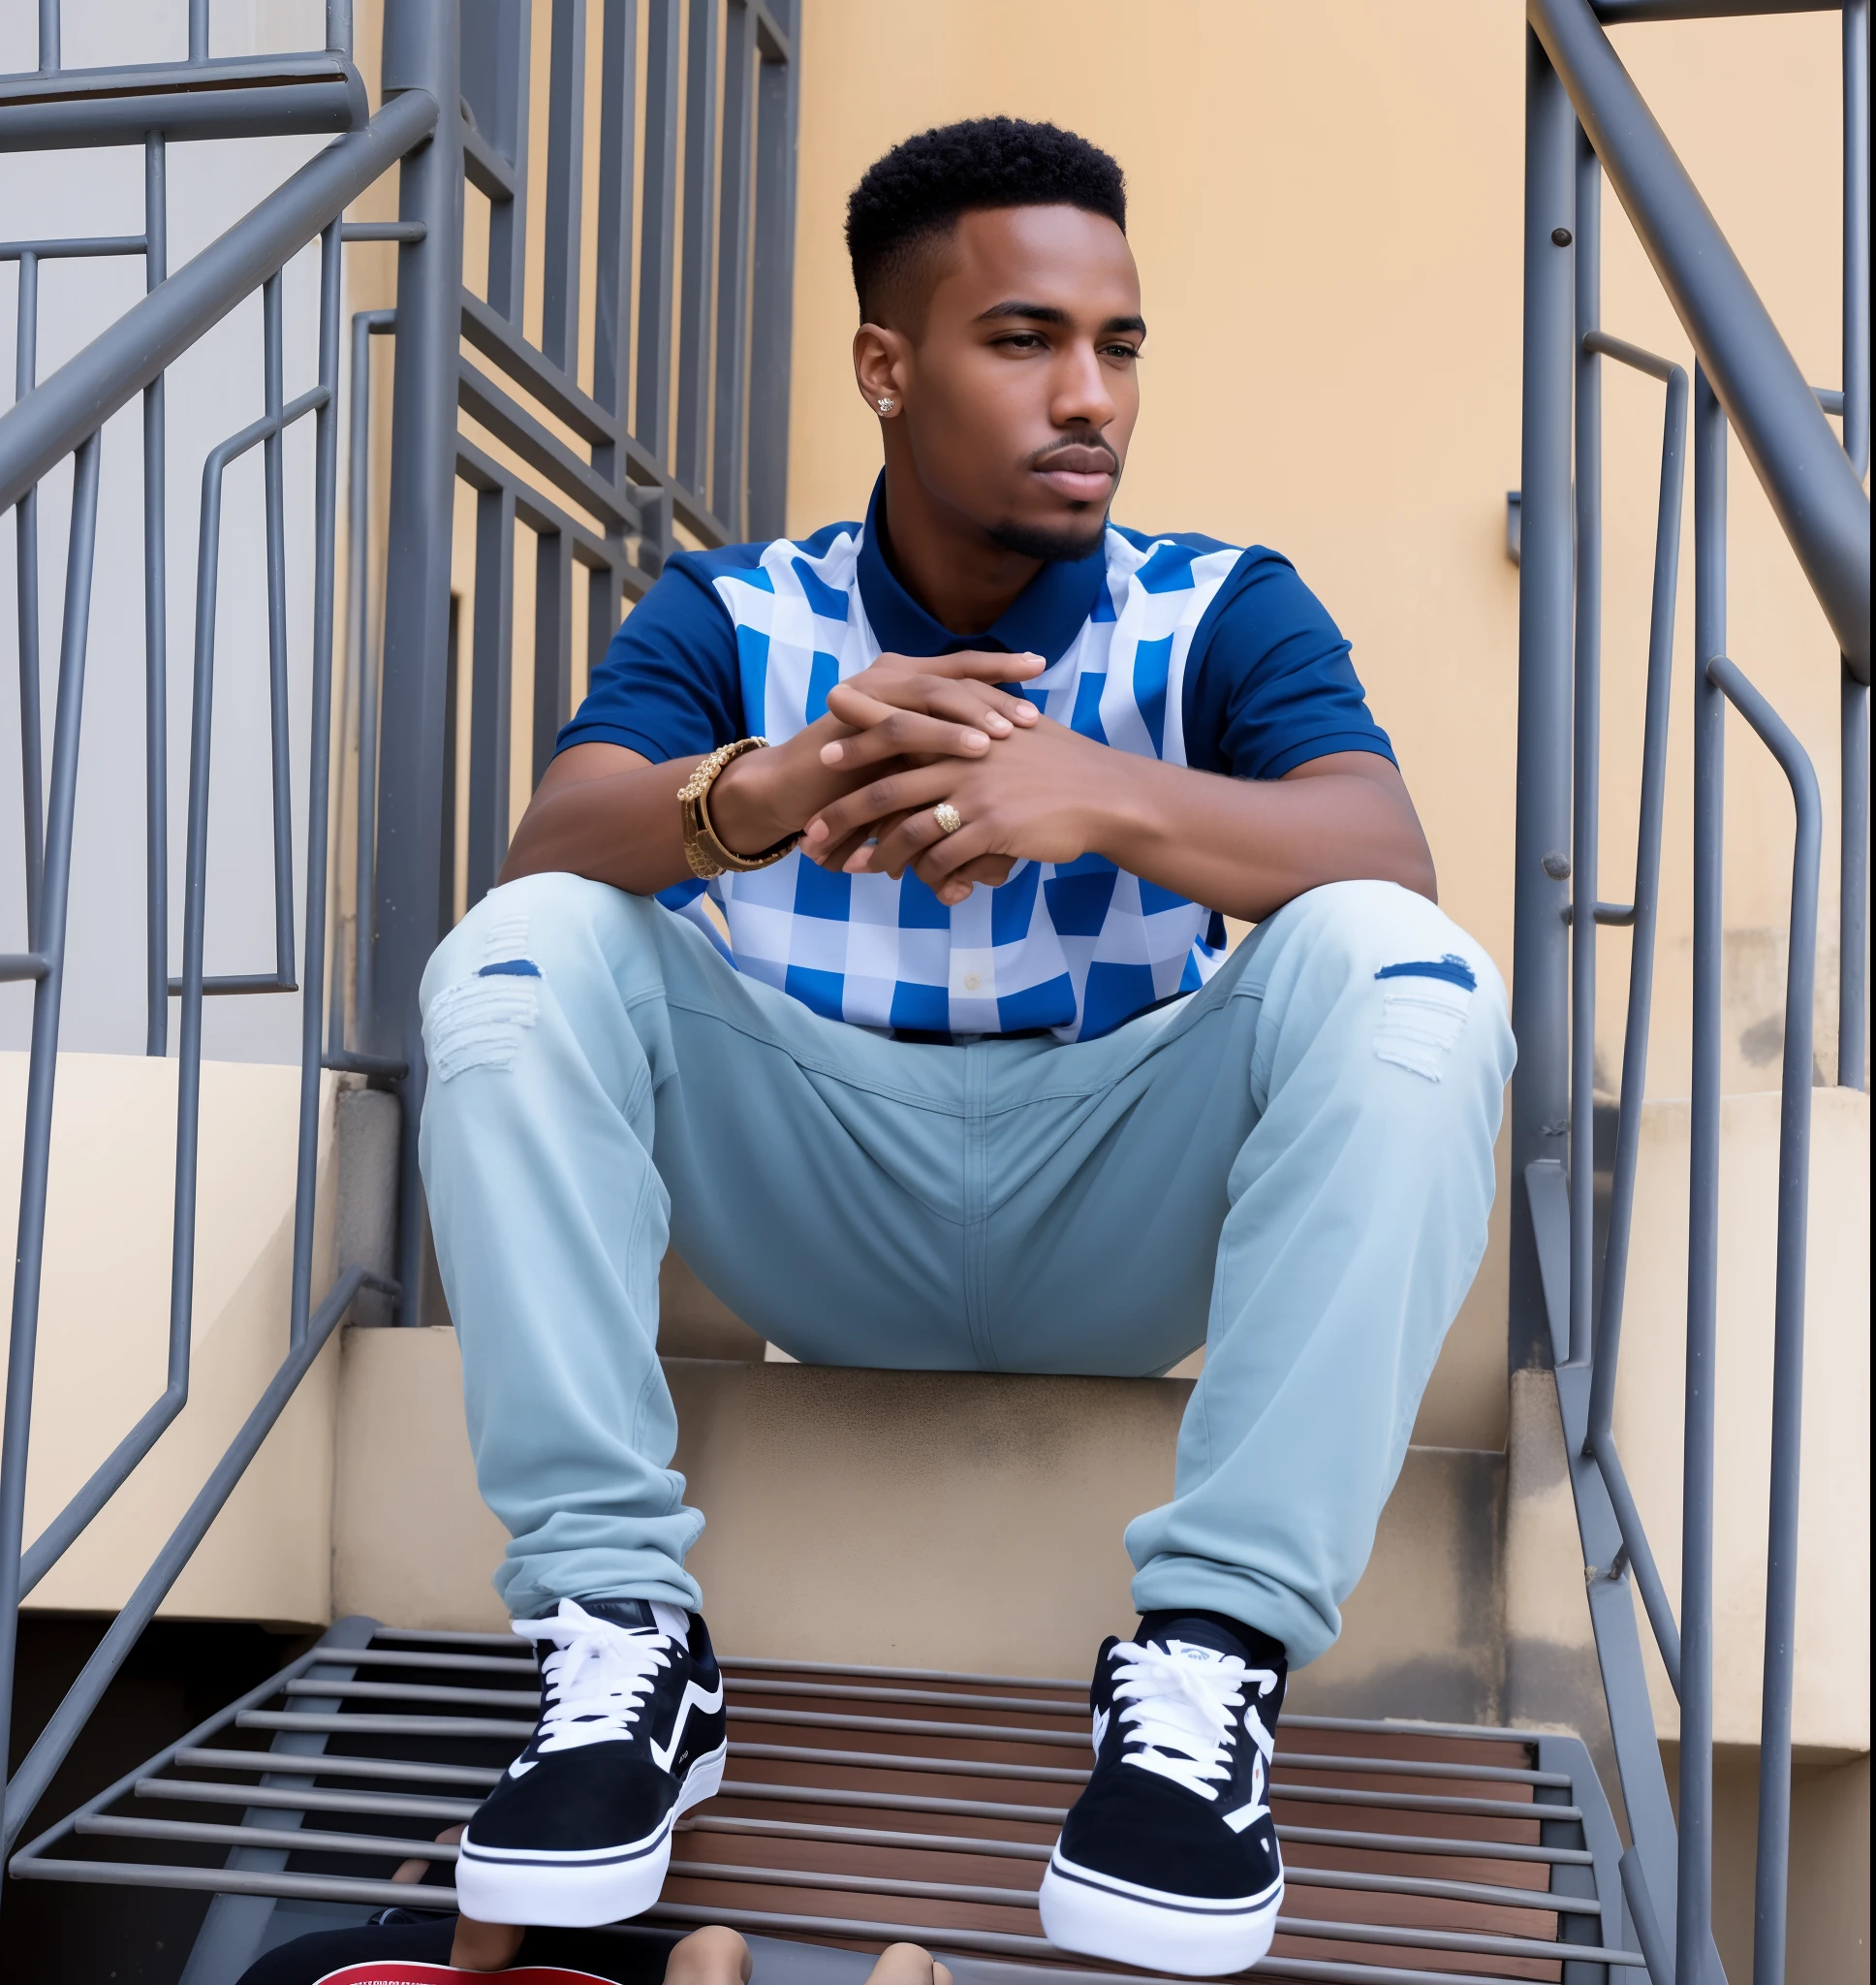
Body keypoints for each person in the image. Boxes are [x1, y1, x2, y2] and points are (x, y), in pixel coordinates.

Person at [418, 116, 1512, 1979]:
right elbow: (559, 834)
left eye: (1122, 346)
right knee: (519, 951)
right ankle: (620, 1648)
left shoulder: (1222, 603)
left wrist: (1104, 798)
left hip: (1114, 1201)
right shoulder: (737, 609)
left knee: (1404, 968)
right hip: (819, 1192)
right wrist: (767, 789)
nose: (1091, 397)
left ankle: (1205, 1674)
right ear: (886, 365)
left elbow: (1380, 846)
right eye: (1025, 341)